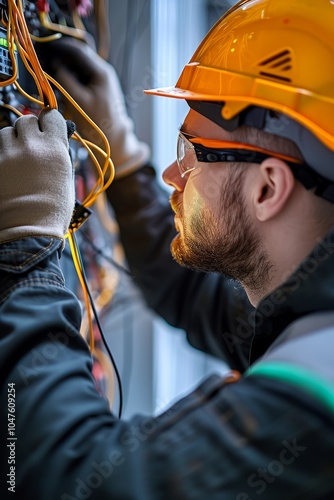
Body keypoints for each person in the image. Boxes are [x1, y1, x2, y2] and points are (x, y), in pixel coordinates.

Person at [1, 1, 334, 498]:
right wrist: (122, 151)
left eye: (189, 152)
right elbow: (191, 291)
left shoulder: (315, 395)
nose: (171, 175)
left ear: (268, 188)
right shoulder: (310, 311)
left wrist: (28, 246)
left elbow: (66, 480)